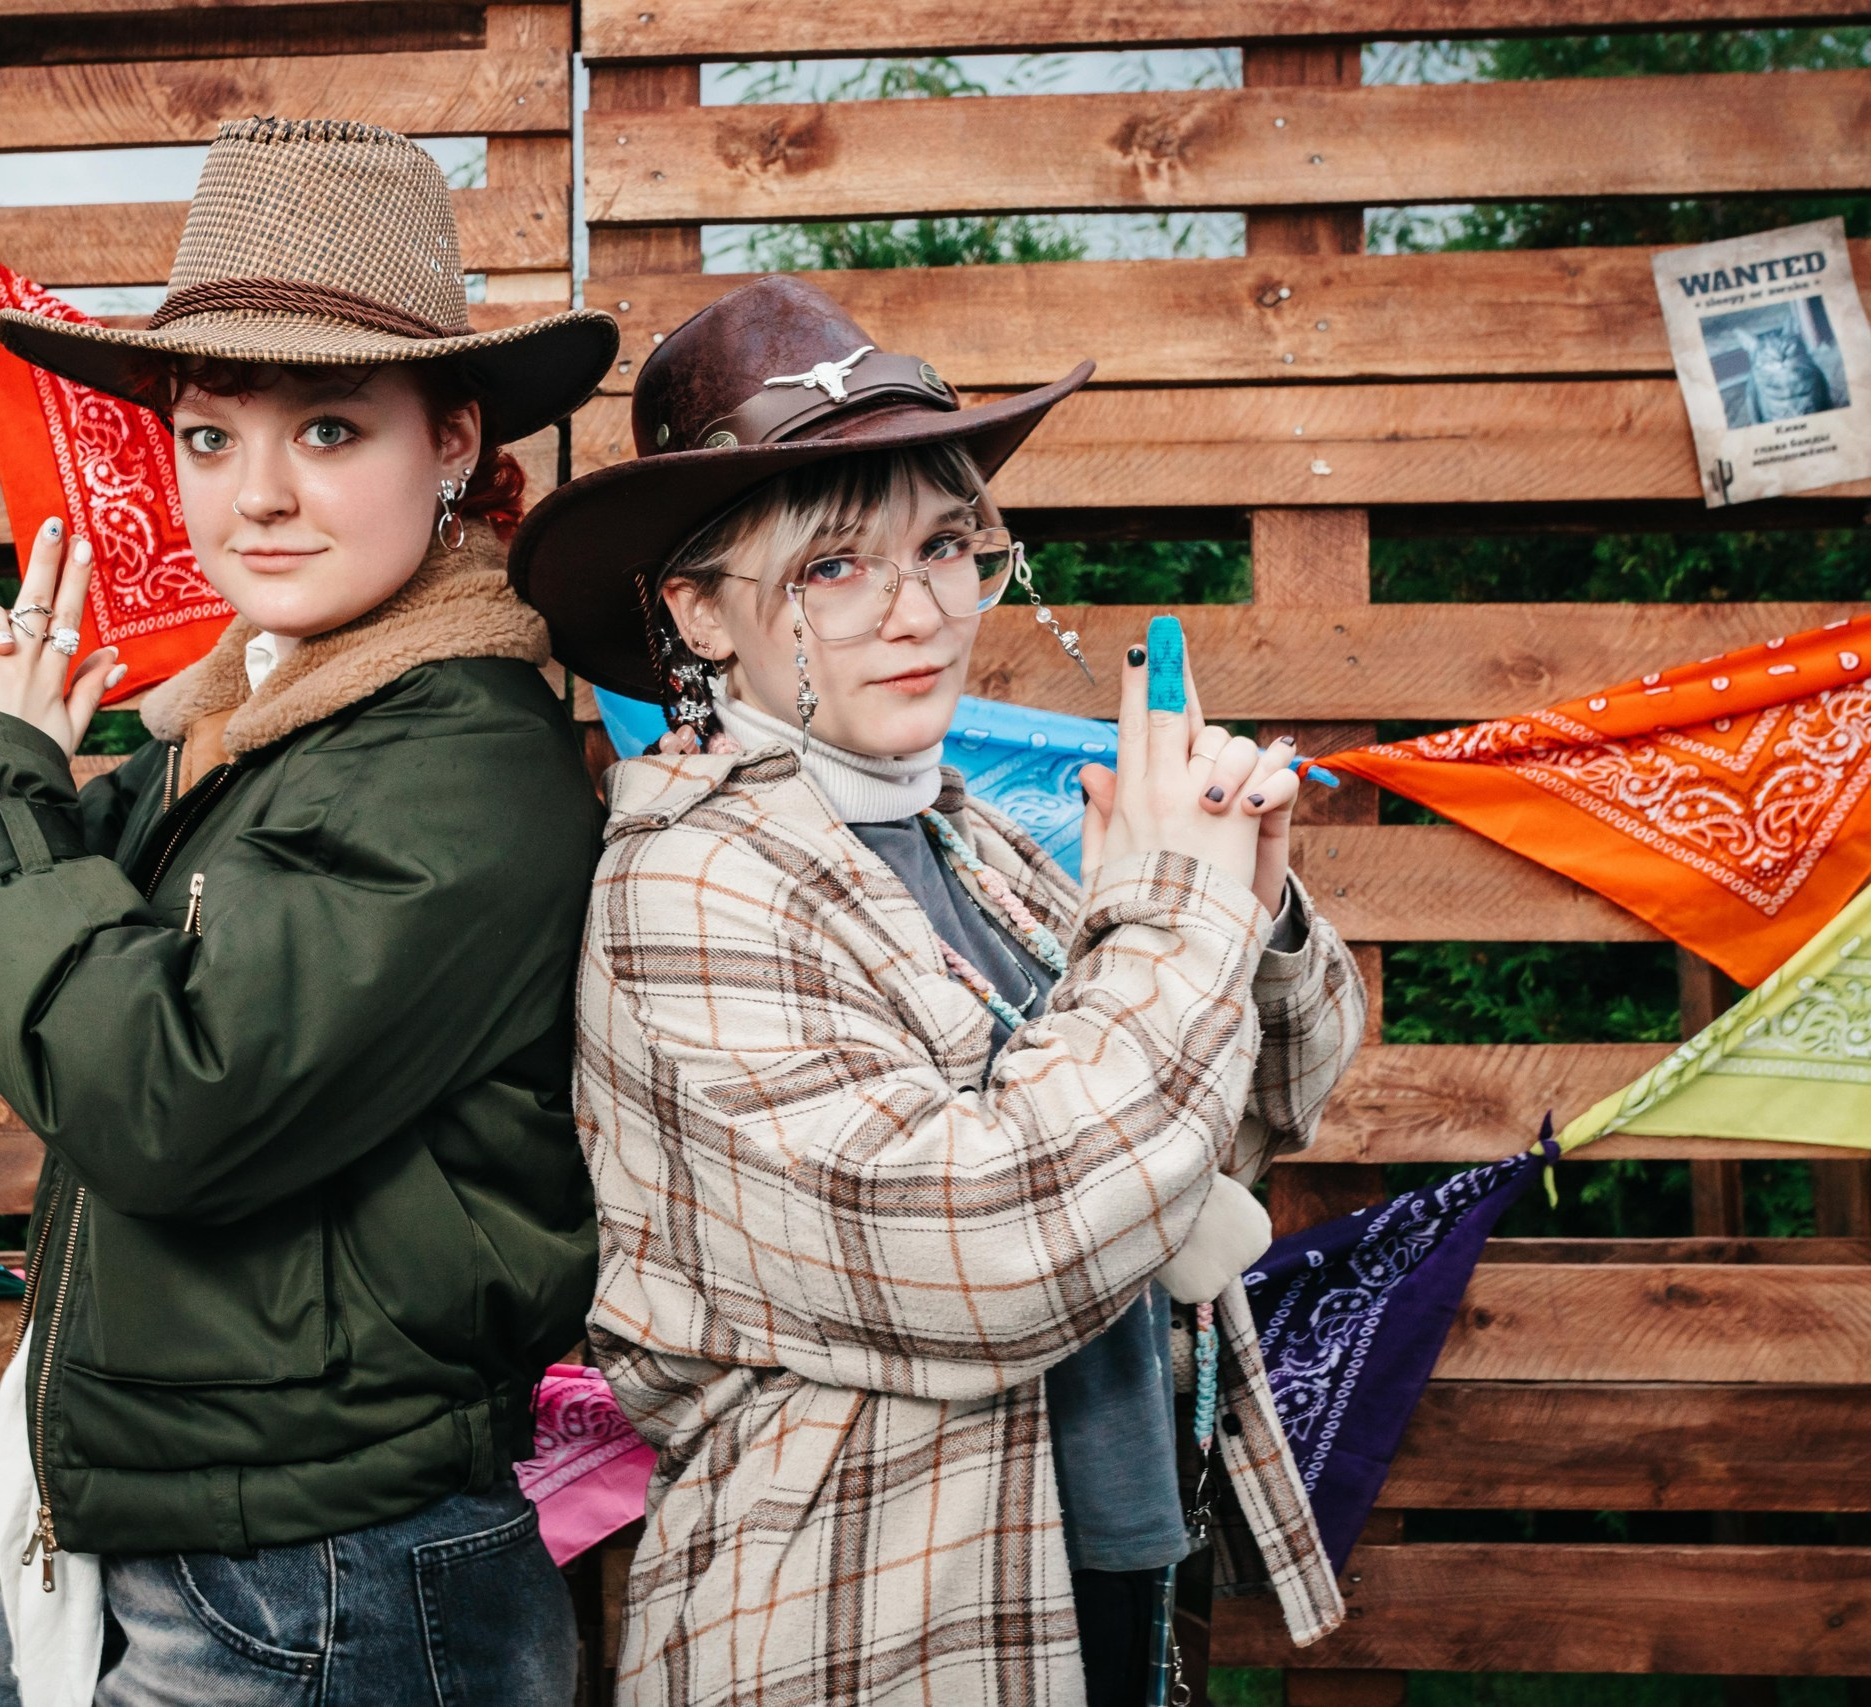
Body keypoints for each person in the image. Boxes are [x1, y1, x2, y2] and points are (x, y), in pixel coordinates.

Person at [507, 277, 1365, 1707]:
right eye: (834, 567)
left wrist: (1246, 893)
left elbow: (1257, 1107)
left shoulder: (971, 832)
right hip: (859, 1615)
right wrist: (1169, 914)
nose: (919, 612)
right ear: (700, 613)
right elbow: (996, 1245)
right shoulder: (692, 882)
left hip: (1099, 1562)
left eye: (947, 544)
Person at [0, 118, 619, 1706]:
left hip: (331, 1580)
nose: (255, 497)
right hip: (169, 1529)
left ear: (456, 440)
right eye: (210, 437)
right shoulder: (249, 722)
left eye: (329, 429)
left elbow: (154, 1092)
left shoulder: (463, 761)